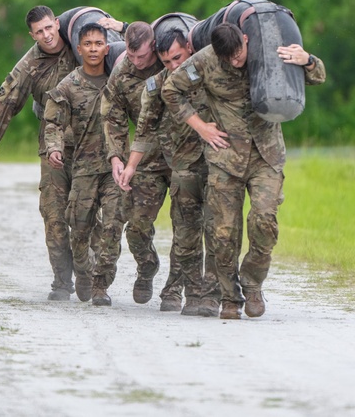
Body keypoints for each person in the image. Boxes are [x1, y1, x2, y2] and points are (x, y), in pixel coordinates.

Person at [161, 22, 326, 319]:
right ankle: (230, 297)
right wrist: (200, 127)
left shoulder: (269, 51)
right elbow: (171, 89)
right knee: (223, 234)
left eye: (239, 54)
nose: (236, 62)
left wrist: (308, 60)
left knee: (264, 221)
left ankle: (252, 285)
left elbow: (318, 76)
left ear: (246, 39)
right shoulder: (205, 61)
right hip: (226, 159)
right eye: (230, 59)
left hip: (267, 156)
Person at [0, 6, 78, 301]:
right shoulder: (30, 64)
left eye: (49, 28)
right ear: (32, 35)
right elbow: (6, 104)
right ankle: (61, 281)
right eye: (39, 32)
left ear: (57, 24)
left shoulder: (82, 44)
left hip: (89, 143)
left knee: (87, 212)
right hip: (51, 143)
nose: (46, 35)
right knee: (54, 212)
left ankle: (90, 273)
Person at [120, 27, 220, 317]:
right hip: (182, 165)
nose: (175, 66)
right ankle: (185, 291)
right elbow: (144, 130)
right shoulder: (156, 87)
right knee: (186, 231)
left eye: (178, 58)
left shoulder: (210, 72)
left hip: (217, 163)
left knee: (217, 230)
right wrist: (130, 166)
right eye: (167, 62)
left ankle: (212, 294)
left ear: (189, 48)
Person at [43, 23, 125, 306]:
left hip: (115, 168)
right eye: (87, 44)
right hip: (84, 169)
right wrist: (54, 148)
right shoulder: (68, 86)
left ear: (107, 47)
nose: (93, 49)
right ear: (79, 49)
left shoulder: (117, 80)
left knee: (113, 226)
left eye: (98, 43)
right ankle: (85, 274)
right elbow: (52, 123)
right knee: (79, 230)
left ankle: (101, 284)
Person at [100, 21, 174, 307]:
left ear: (153, 48)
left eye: (141, 57)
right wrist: (116, 157)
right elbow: (113, 118)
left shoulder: (172, 62)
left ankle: (175, 290)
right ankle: (147, 266)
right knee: (136, 226)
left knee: (186, 226)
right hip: (145, 160)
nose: (136, 62)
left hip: (184, 157)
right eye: (131, 56)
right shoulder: (122, 73)